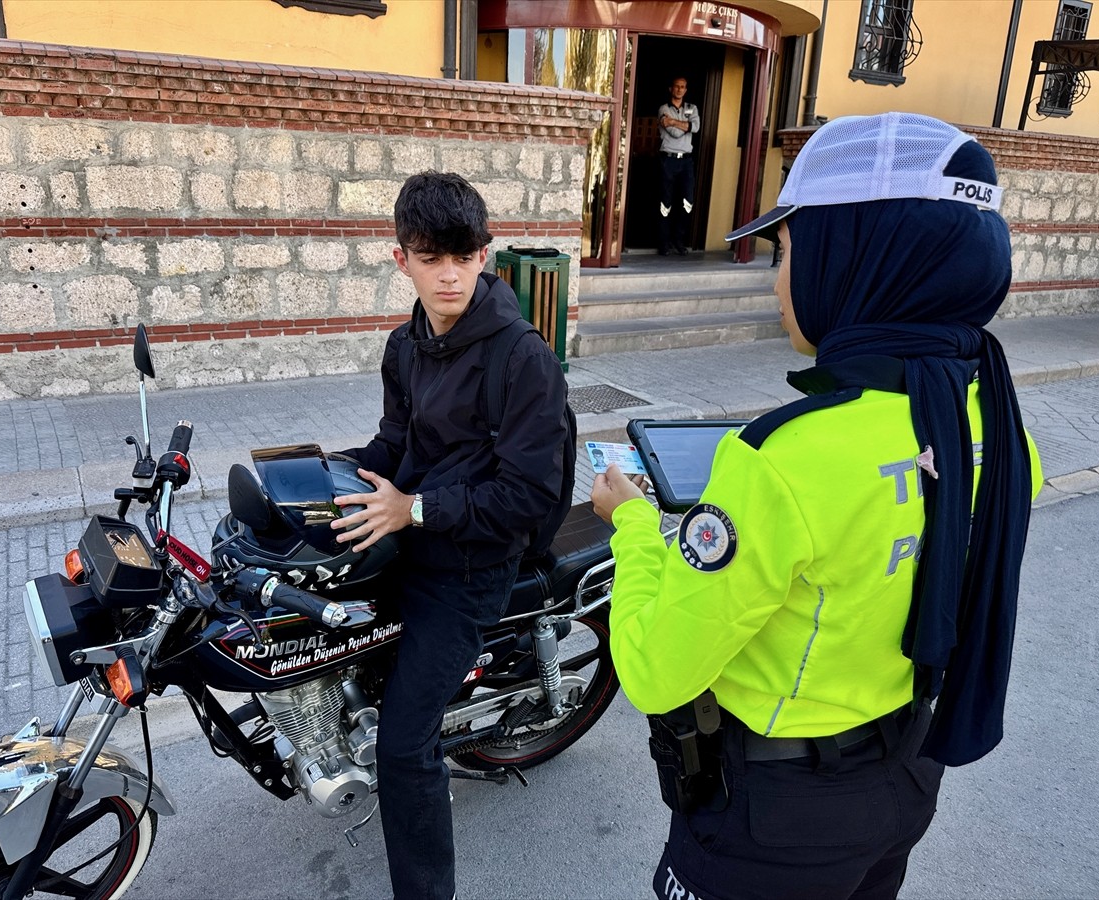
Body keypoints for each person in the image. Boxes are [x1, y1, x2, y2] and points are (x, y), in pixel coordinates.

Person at [591, 112, 1043, 899]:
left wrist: (632, 524)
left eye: (789, 250)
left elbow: (656, 674)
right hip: (909, 775)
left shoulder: (783, 459)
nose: (776, 278)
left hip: (775, 821)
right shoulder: (997, 424)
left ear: (855, 260)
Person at [331, 171, 569, 899]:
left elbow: (525, 494)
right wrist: (335, 484)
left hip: (475, 561)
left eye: (463, 257)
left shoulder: (520, 357)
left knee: (405, 748)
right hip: (415, 529)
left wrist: (416, 510)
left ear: (485, 255)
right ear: (401, 257)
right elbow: (394, 440)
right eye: (432, 257)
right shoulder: (406, 345)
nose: (449, 275)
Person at [657, 75, 700, 256]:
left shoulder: (692, 108)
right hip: (668, 159)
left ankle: (678, 240)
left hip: (686, 161)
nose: (679, 89)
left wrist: (674, 121)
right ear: (671, 89)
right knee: (666, 203)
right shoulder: (664, 108)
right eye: (676, 86)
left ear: (686, 90)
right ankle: (664, 243)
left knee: (687, 202)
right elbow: (674, 133)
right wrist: (685, 125)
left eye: (683, 87)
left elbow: (696, 127)